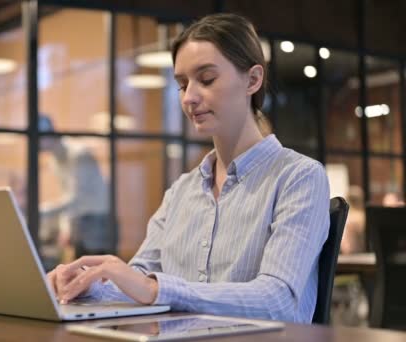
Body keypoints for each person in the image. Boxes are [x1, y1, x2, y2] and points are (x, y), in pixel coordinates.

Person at [47, 13, 330, 324]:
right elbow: (138, 278)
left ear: (252, 80)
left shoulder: (299, 177)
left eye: (206, 79)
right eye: (182, 84)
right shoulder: (182, 190)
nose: (189, 98)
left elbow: (278, 301)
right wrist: (84, 284)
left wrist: (157, 289)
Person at [38, 115, 116, 259]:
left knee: (98, 273)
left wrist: (46, 211)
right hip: (80, 220)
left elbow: (77, 197)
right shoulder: (54, 159)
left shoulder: (79, 154)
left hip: (97, 220)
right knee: (81, 270)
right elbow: (67, 195)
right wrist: (65, 226)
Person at [340, 185, 365, 254]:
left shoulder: (350, 219)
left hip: (353, 257)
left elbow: (349, 248)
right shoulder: (364, 216)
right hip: (364, 256)